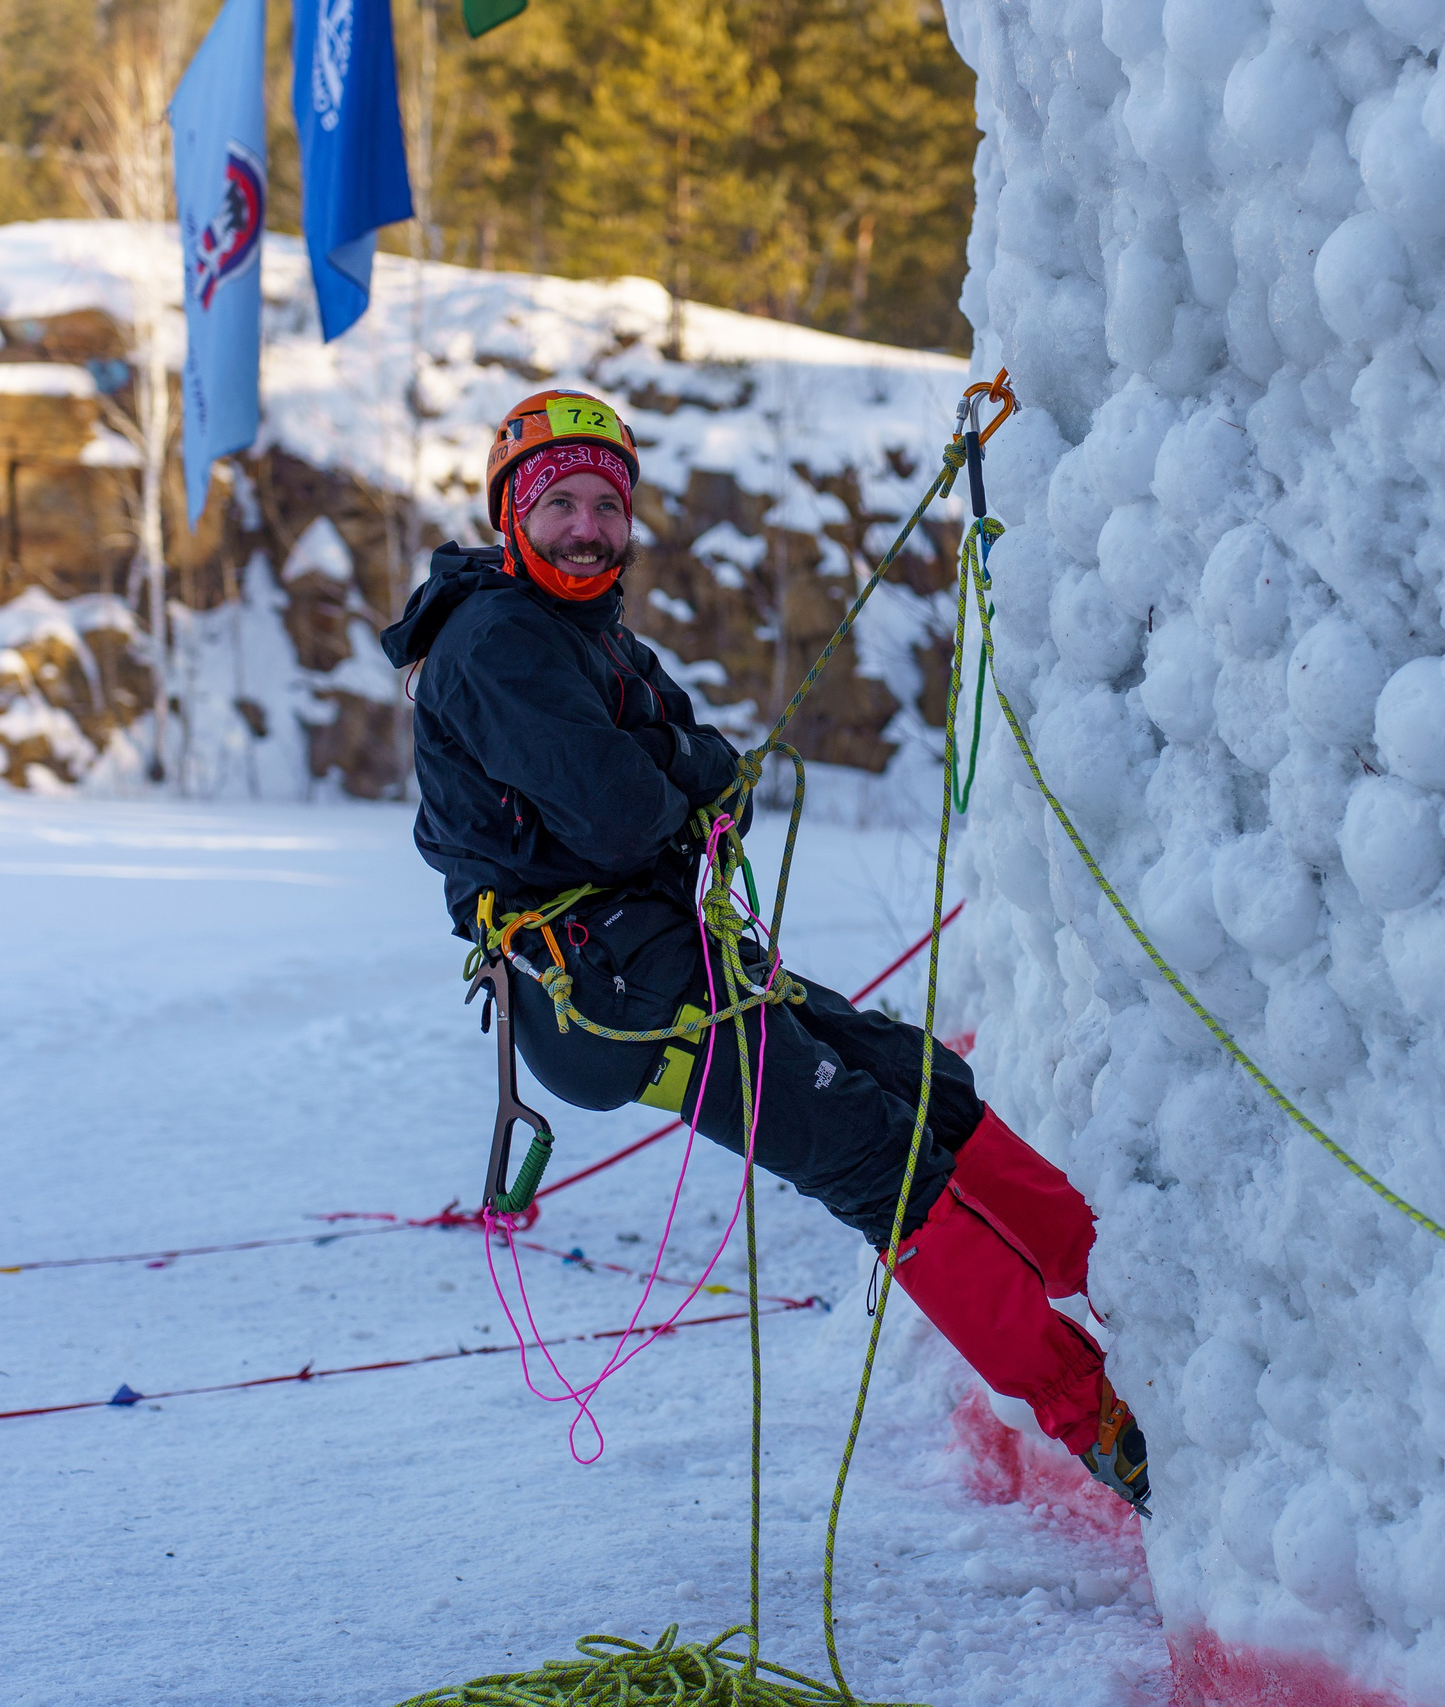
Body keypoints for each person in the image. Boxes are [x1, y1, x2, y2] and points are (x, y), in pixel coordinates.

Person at [377, 389, 1151, 1513]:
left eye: (607, 504)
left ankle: (1113, 1275)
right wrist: (680, 779)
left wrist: (683, 773)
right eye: (562, 507)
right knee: (868, 1151)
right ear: (512, 515)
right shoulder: (497, 640)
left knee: (910, 1079)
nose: (588, 527)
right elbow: (617, 809)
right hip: (603, 985)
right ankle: (1104, 1423)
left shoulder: (584, 631)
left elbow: (690, 749)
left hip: (654, 951)